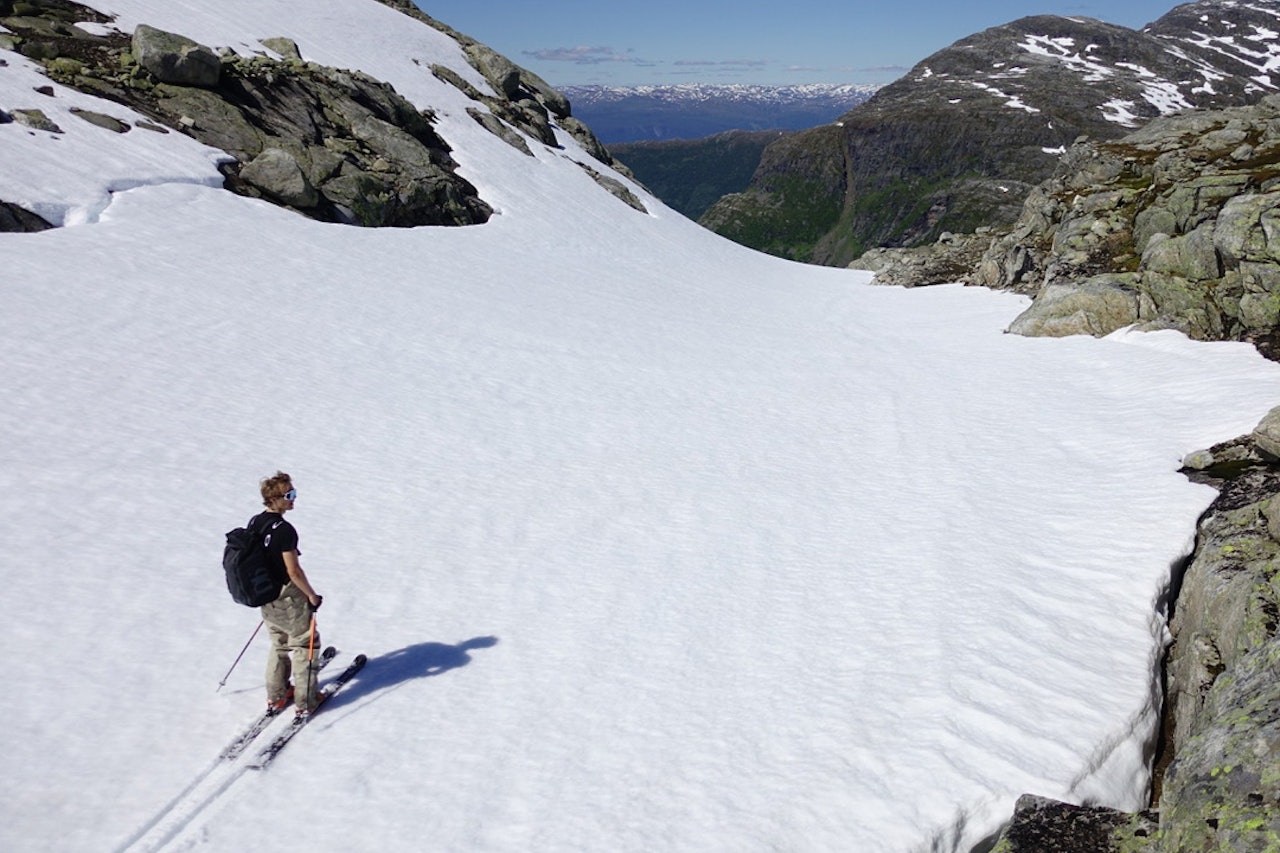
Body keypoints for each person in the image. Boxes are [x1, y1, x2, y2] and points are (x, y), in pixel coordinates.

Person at [254, 471, 325, 716]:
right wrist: (312, 596)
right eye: (289, 495)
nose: (294, 499)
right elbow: (293, 571)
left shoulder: (256, 522)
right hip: (287, 596)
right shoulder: (285, 530)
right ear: (274, 499)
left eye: (294, 493)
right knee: (305, 644)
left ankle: (277, 695)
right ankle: (307, 700)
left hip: (265, 594)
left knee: (279, 643)